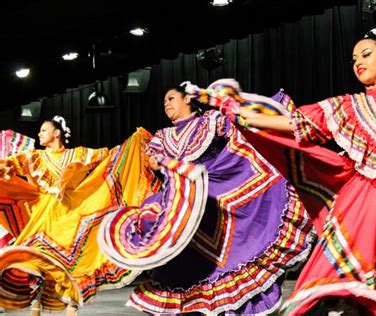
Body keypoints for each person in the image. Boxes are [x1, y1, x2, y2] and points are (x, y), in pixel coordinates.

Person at [228, 28, 376, 314]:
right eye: (354, 59)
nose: (358, 62)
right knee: (335, 272)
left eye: (366, 55)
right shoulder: (347, 106)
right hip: (362, 202)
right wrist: (247, 116)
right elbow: (299, 123)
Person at [98, 85, 317, 314]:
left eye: (171, 98)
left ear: (188, 100)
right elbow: (153, 162)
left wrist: (263, 114)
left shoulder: (211, 120)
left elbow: (239, 129)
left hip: (217, 185)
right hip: (181, 197)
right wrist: (169, 166)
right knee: (155, 214)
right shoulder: (162, 136)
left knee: (247, 194)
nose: (167, 104)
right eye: (164, 102)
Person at [0, 116, 155, 315]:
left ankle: (71, 303)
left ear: (56, 133)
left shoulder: (78, 154)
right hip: (43, 216)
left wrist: (133, 143)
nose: (39, 134)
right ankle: (36, 301)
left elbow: (108, 156)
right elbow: (8, 165)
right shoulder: (34, 157)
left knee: (70, 261)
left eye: (44, 130)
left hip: (72, 216)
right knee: (37, 257)